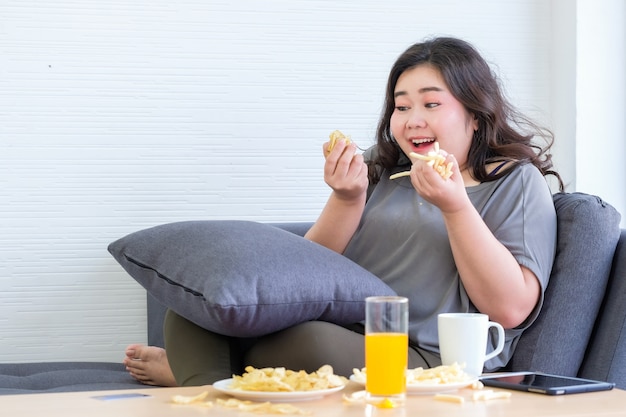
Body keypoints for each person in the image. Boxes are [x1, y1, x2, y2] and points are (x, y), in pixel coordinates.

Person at [124, 36, 564, 387]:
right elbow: (301, 273)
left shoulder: (512, 182)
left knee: (304, 341)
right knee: (194, 306)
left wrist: (454, 206)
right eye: (402, 105)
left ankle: (196, 375)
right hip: (343, 331)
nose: (412, 119)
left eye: (431, 104)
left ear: (474, 114)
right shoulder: (383, 169)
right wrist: (347, 198)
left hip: (424, 358)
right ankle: (205, 381)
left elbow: (511, 309)